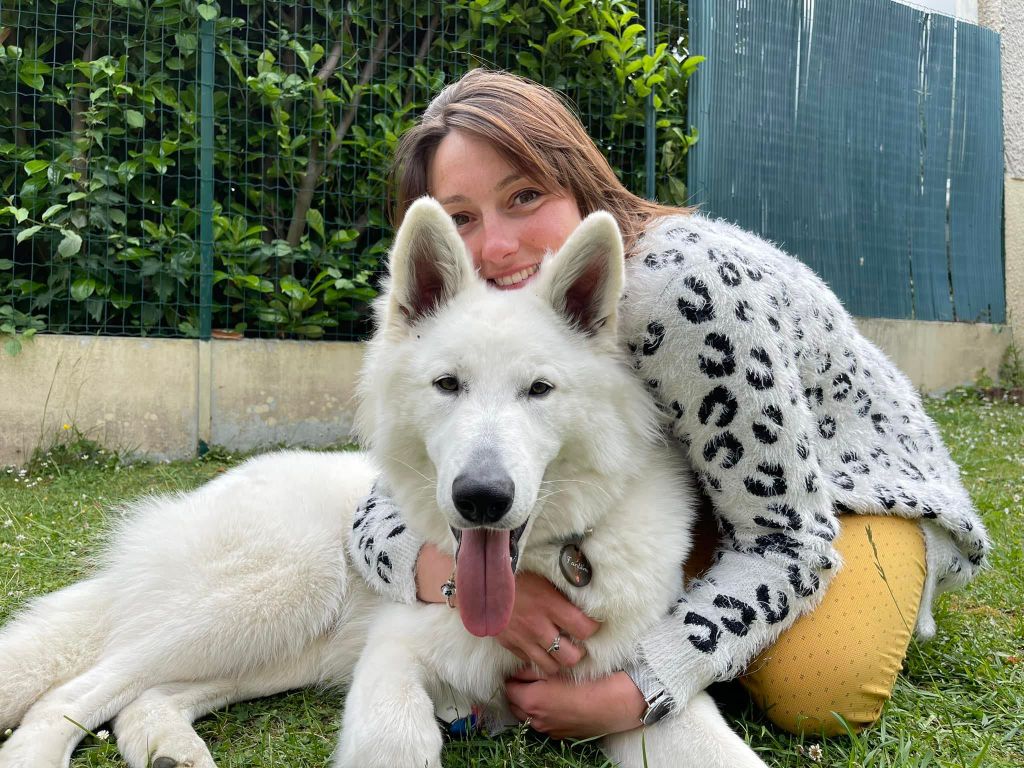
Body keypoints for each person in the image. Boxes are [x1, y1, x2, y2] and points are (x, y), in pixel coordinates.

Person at [348, 68, 989, 739]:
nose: (498, 245)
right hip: (708, 493)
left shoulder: (686, 298)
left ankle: (896, 579)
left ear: (579, 182)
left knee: (818, 686)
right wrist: (457, 581)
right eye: (461, 218)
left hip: (849, 491)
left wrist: (640, 687)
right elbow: (383, 504)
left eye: (524, 195)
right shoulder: (488, 328)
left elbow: (785, 536)